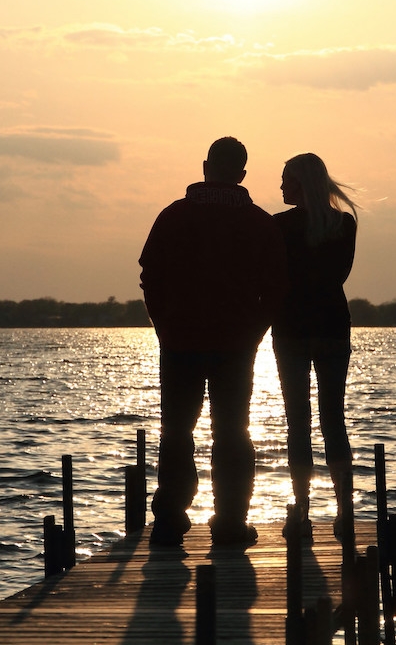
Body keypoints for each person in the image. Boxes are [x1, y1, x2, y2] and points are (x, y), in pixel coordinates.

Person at [139, 137, 287, 548]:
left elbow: (150, 274)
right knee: (233, 432)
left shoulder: (174, 215)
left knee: (176, 431)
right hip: (236, 344)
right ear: (241, 174)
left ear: (206, 167)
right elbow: (277, 287)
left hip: (180, 341)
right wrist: (255, 331)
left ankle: (169, 521)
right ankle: (230, 523)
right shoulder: (260, 223)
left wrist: (163, 324)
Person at [272, 153, 359, 539]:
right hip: (332, 327)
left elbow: (275, 278)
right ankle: (344, 510)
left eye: (285, 179)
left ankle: (302, 510)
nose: (280, 186)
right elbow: (339, 275)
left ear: (301, 184)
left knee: (298, 422)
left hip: (291, 329)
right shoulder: (343, 224)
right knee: (333, 420)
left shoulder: (279, 226)